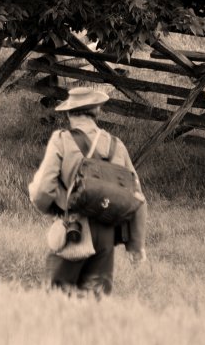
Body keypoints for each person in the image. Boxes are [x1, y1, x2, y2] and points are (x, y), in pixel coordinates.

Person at [29, 87, 147, 298]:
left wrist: (53, 211)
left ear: (69, 113)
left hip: (74, 231)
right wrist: (136, 247)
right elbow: (138, 198)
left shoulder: (62, 139)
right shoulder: (116, 145)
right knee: (94, 305)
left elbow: (42, 191)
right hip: (107, 236)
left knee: (56, 302)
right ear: (97, 112)